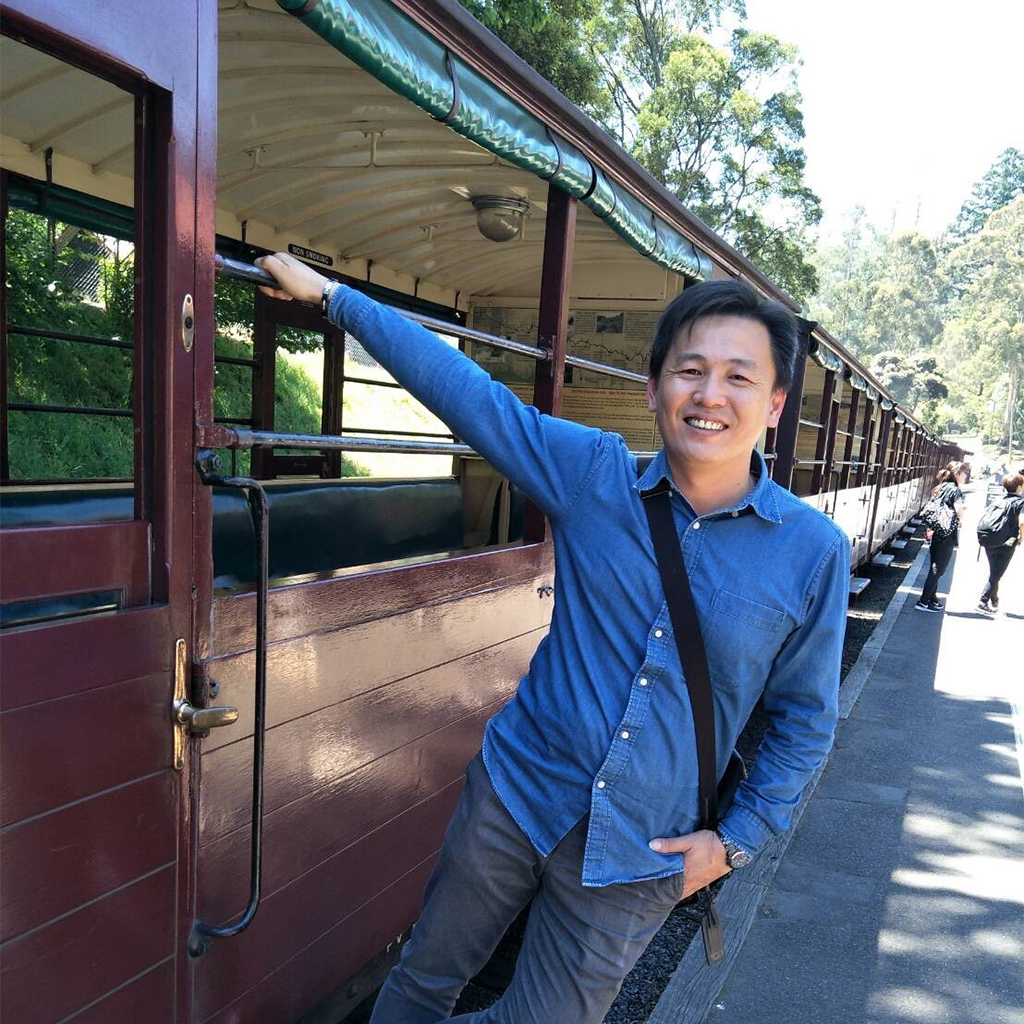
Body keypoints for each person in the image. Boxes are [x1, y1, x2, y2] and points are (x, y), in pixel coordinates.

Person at [255, 253, 850, 1024]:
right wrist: (339, 299)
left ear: (773, 404)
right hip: (514, 795)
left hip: (645, 848)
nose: (709, 395)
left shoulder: (812, 552)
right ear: (654, 388)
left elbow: (805, 724)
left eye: (738, 377)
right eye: (690, 370)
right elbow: (475, 399)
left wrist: (734, 843)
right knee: (423, 981)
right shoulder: (594, 475)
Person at [915, 462, 967, 612]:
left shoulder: (941, 487)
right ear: (957, 474)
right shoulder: (955, 490)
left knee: (935, 565)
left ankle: (932, 598)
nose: (966, 475)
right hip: (947, 533)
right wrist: (963, 513)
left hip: (936, 531)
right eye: (964, 472)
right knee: (939, 569)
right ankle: (923, 601)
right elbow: (959, 512)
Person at [977, 473, 1024, 613]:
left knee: (994, 571)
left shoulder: (998, 499)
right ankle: (983, 601)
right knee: (996, 574)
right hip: (1007, 542)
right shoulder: (1020, 502)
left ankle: (994, 600)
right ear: (1019, 487)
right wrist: (1021, 538)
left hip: (989, 539)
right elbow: (1022, 522)